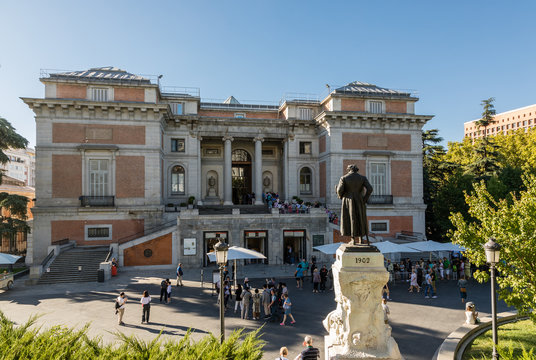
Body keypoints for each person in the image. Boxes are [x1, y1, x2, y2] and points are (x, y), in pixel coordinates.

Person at [336, 164, 373, 245]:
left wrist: (340, 196)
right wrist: (364, 199)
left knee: (351, 218)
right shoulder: (363, 178)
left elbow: (339, 190)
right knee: (360, 218)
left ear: (349, 170)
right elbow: (370, 189)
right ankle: (361, 239)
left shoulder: (344, 178)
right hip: (360, 200)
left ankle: (353, 239)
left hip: (348, 200)